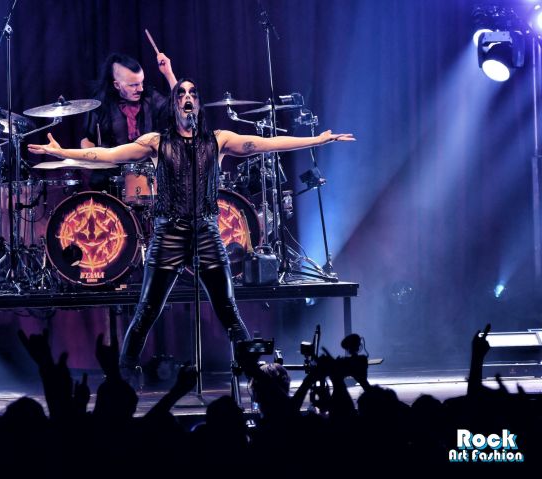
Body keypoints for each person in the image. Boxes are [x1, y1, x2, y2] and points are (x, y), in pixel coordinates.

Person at [29, 78, 355, 380]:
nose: (187, 97)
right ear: (174, 104)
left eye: (193, 94)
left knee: (229, 312)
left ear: (198, 104)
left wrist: (317, 140)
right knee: (146, 312)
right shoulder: (156, 142)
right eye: (181, 93)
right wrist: (62, 153)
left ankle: (259, 379)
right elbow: (108, 155)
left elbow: (266, 143)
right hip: (169, 234)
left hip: (207, 233)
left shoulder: (218, 140)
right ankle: (123, 379)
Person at [80, 52, 177, 190]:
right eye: (133, 85)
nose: (140, 89)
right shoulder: (101, 104)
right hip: (110, 178)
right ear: (117, 85)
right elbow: (87, 141)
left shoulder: (150, 97)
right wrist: (93, 160)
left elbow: (179, 109)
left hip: (148, 177)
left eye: (142, 82)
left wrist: (168, 73)